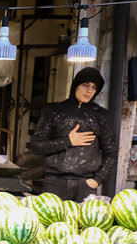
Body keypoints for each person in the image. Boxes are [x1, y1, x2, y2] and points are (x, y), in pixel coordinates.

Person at [30, 67, 117, 201]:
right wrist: (68, 141)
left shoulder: (102, 116)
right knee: (53, 221)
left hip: (85, 184)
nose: (89, 91)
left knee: (82, 222)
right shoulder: (53, 111)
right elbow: (36, 146)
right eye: (85, 85)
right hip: (54, 182)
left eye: (94, 87)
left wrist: (97, 180)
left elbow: (111, 152)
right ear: (76, 85)